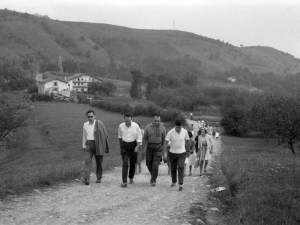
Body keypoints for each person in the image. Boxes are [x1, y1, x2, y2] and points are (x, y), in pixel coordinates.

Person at [82, 110, 110, 185]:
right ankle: (86, 179)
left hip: (98, 144)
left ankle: (98, 177)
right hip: (89, 144)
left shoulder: (99, 123)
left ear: (94, 116)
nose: (90, 118)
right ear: (87, 117)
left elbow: (105, 134)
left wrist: (102, 143)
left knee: (99, 162)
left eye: (91, 116)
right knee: (87, 161)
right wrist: (84, 146)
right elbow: (84, 136)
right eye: (89, 117)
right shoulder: (85, 125)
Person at [164, 119, 190, 191]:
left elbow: (187, 141)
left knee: (181, 166)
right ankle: (174, 181)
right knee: (173, 168)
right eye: (177, 127)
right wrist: (165, 153)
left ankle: (180, 183)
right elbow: (165, 142)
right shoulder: (170, 132)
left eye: (179, 127)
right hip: (172, 153)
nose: (178, 129)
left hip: (182, 153)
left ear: (181, 126)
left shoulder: (185, 131)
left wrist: (188, 151)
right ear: (174, 126)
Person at [118, 113, 142, 187]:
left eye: (129, 121)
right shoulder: (121, 126)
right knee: (125, 163)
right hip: (124, 145)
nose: (128, 122)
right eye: (126, 121)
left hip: (133, 144)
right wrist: (121, 146)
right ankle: (124, 181)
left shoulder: (136, 126)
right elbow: (119, 137)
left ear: (131, 119)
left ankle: (131, 177)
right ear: (124, 120)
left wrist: (137, 146)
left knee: (132, 163)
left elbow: (139, 136)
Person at [143, 115, 166, 186]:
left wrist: (164, 151)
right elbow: (144, 139)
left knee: (155, 165)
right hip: (149, 146)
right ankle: (153, 174)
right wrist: (144, 149)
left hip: (158, 147)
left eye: (158, 121)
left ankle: (153, 180)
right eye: (155, 120)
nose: (157, 122)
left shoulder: (163, 128)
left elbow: (164, 140)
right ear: (153, 120)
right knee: (148, 163)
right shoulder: (148, 127)